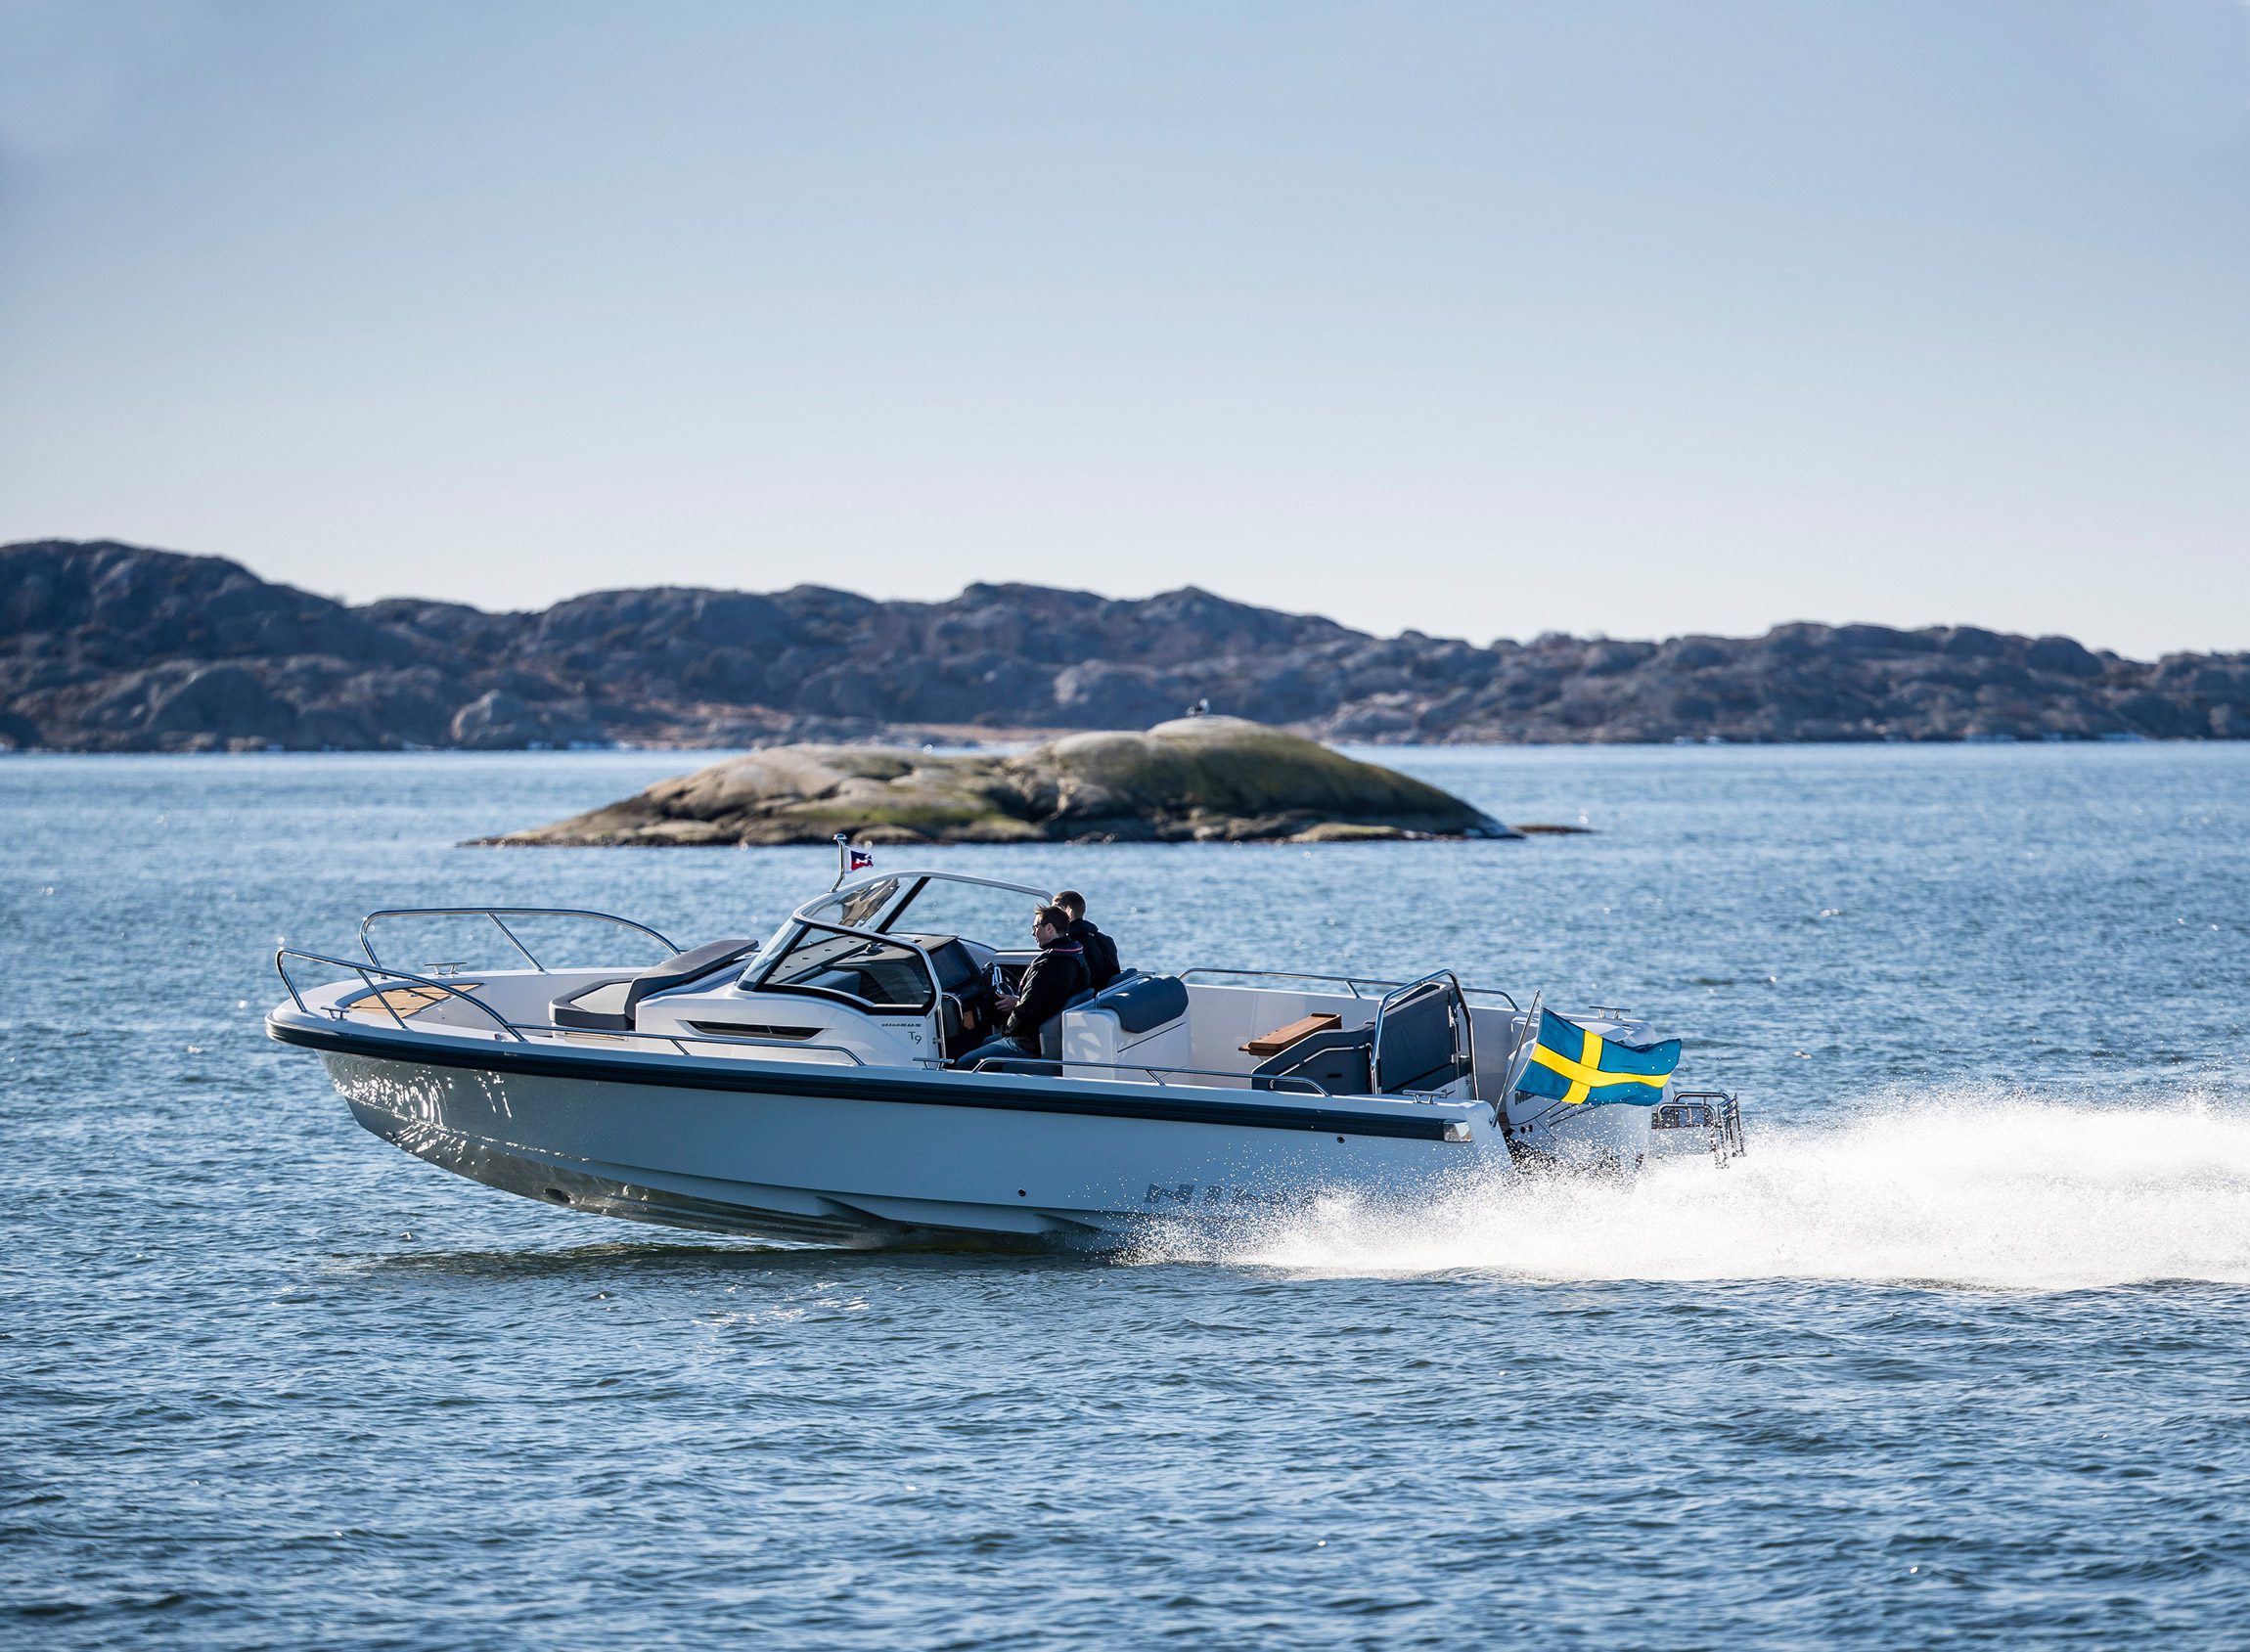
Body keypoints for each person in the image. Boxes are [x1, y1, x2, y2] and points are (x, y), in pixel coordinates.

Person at [953, 903, 1089, 1067]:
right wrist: (1017, 1002)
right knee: (987, 1041)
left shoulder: (1047, 966)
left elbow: (1027, 1011)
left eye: (1035, 927)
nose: (1033, 933)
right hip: (1048, 1034)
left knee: (963, 1063)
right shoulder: (1077, 958)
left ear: (1049, 929)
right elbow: (1043, 1000)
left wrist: (1007, 1031)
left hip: (1029, 1042)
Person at [1053, 890, 1121, 993]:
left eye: (1054, 912)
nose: (1051, 916)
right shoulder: (1106, 940)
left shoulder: (1069, 946)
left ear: (1066, 910)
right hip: (1106, 997)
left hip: (1085, 1002)